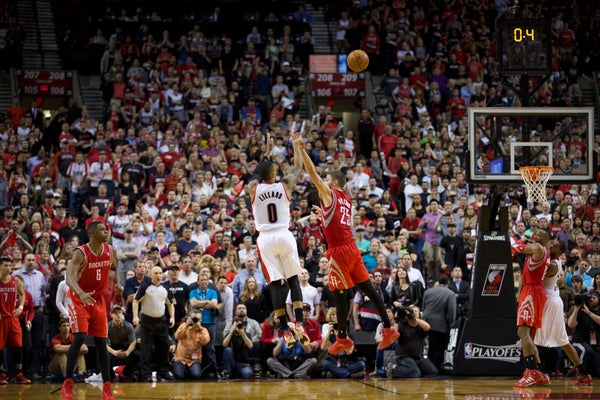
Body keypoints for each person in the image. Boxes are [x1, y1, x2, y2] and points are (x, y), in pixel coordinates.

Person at [292, 129, 399, 355]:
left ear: (333, 182)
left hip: (339, 251)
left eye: (327, 179)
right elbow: (338, 223)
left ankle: (342, 338)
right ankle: (389, 329)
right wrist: (323, 217)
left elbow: (311, 172)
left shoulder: (330, 193)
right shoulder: (347, 200)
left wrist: (302, 150)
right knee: (369, 289)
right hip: (351, 247)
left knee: (339, 296)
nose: (324, 182)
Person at [247, 131, 308, 347]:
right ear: (275, 174)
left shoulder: (253, 189)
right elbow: (298, 169)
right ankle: (299, 322)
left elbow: (254, 176)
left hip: (265, 238)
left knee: (275, 284)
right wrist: (297, 148)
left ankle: (284, 329)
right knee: (293, 279)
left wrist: (265, 154)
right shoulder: (285, 185)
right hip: (284, 233)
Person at [61, 221, 120, 400]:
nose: (107, 231)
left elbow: (115, 268)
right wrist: (81, 293)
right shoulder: (81, 253)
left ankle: (107, 386)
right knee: (79, 337)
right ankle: (67, 384)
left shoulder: (110, 250)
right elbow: (69, 277)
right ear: (93, 233)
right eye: (103, 229)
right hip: (79, 298)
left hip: (98, 299)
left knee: (102, 342)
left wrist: (118, 285)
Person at [535, 240, 592, 384]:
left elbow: (535, 279)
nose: (550, 245)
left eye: (554, 246)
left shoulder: (553, 264)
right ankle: (584, 373)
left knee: (529, 337)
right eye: (551, 243)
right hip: (552, 300)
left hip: (549, 302)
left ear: (560, 252)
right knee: (563, 342)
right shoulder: (552, 259)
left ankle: (538, 373)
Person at [512, 230, 552, 388]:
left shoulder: (537, 248)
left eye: (542, 234)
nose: (537, 235)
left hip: (532, 291)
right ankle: (539, 372)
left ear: (546, 240)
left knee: (522, 332)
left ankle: (532, 371)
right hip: (534, 291)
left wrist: (520, 240)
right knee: (528, 335)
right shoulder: (542, 251)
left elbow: (515, 247)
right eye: (536, 233)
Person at [132, 266, 175, 382]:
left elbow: (170, 304)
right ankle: (146, 374)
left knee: (164, 347)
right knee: (146, 349)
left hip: (161, 321)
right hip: (147, 321)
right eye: (156, 273)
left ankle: (164, 372)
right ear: (151, 275)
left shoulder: (165, 288)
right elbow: (135, 301)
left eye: (160, 273)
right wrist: (135, 316)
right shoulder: (145, 286)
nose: (158, 275)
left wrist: (172, 317)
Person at [387, 306, 438, 378]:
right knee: (415, 373)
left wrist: (415, 319)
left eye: (415, 311)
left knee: (433, 372)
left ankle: (411, 370)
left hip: (418, 358)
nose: (413, 313)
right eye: (411, 311)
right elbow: (393, 336)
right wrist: (397, 320)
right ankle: (394, 369)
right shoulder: (402, 325)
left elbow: (428, 327)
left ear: (419, 315)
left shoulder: (420, 325)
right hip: (404, 357)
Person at [0, 256, 29, 384]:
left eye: (9, 265)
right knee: (0, 347)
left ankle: (19, 373)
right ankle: (2, 374)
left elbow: (22, 294)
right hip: (1, 319)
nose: (8, 268)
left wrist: (21, 307)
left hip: (12, 318)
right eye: (5, 266)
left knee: (18, 345)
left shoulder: (15, 280)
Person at [173, 309, 210, 380]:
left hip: (194, 360)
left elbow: (205, 341)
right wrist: (187, 325)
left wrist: (199, 328)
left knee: (196, 375)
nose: (195, 321)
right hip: (181, 358)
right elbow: (177, 336)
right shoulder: (183, 326)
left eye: (198, 319)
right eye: (194, 319)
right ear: (189, 318)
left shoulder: (203, 330)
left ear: (201, 320)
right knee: (178, 376)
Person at [106, 305, 139, 382]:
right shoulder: (107, 327)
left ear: (122, 314)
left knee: (137, 354)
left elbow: (133, 342)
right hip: (112, 348)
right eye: (115, 313)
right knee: (103, 354)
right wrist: (114, 352)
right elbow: (104, 344)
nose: (118, 315)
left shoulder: (128, 326)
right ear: (111, 315)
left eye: (120, 313)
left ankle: (127, 372)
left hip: (125, 347)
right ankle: (110, 374)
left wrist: (128, 352)